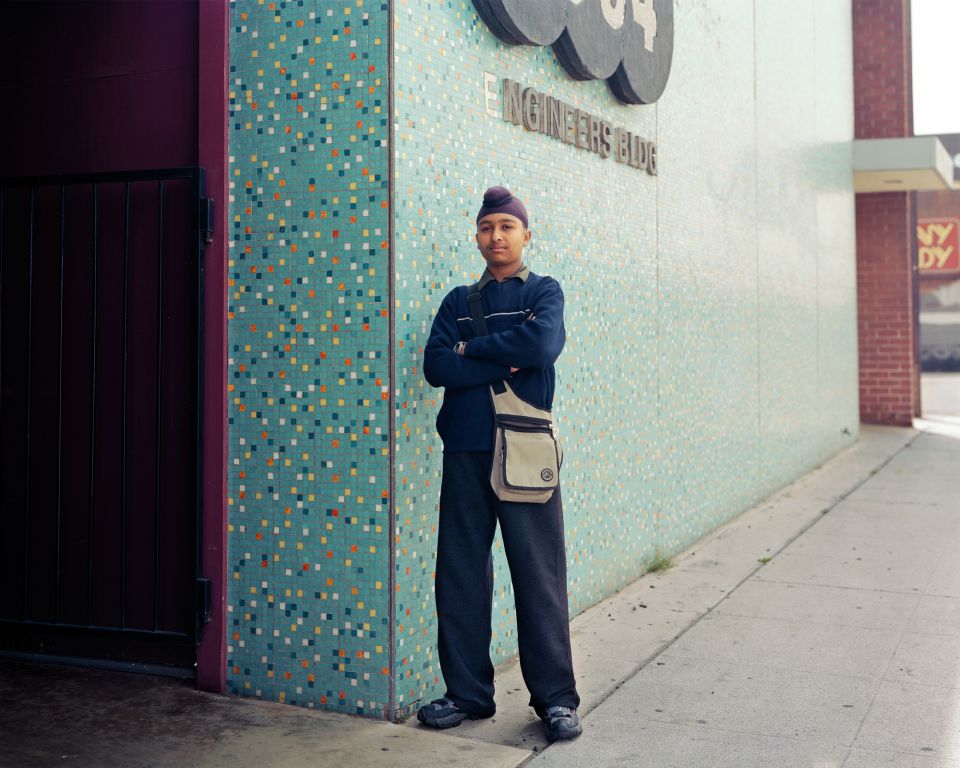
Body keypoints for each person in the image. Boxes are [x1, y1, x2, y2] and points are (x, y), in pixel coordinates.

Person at [417, 186, 581, 742]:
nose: (496, 236)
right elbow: (437, 367)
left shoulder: (544, 291)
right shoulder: (457, 302)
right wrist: (497, 360)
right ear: (477, 236)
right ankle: (467, 694)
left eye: (507, 227)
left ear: (525, 235)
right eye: (487, 227)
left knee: (538, 576)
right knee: (460, 573)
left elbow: (541, 347)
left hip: (526, 450)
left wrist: (472, 350)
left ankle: (556, 700)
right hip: (465, 449)